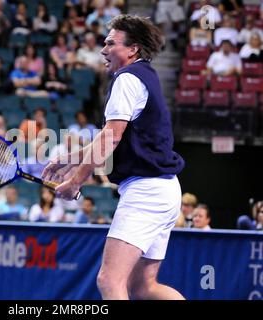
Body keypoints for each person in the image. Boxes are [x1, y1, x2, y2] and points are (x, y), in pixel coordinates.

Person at [42, 14, 185, 300]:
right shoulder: (146, 74)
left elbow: (111, 136)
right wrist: (71, 159)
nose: (103, 50)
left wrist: (75, 181)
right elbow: (120, 138)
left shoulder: (127, 78)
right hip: (167, 190)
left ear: (132, 49)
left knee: (109, 281)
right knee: (143, 287)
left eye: (110, 43)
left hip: (145, 192)